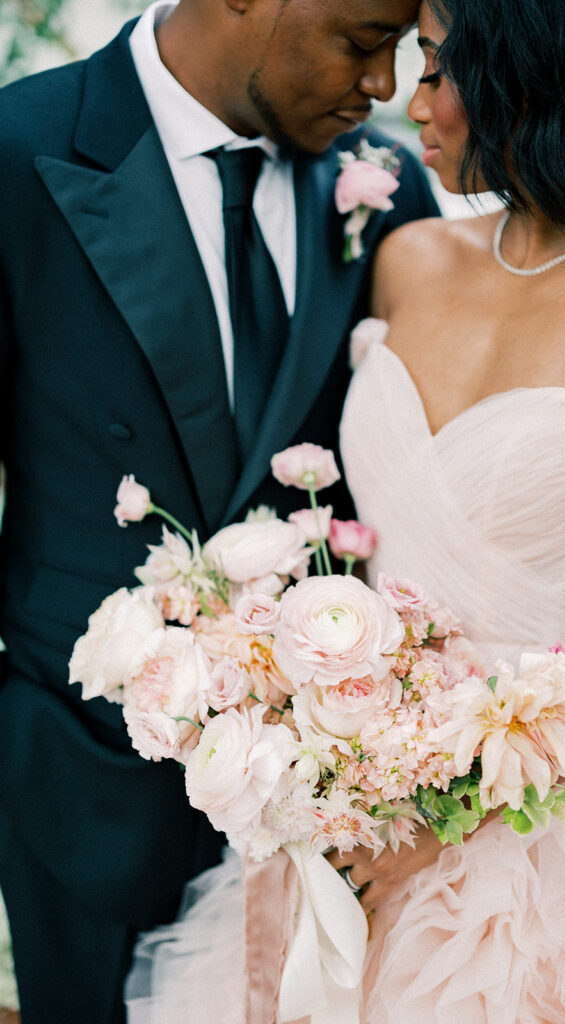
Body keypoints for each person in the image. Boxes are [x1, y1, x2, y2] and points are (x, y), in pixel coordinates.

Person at [125, 0, 565, 1021]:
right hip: (345, 790)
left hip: (552, 826)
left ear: (535, 77)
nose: (406, 101)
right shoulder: (406, 257)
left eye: (433, 67)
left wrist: (441, 818)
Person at [0, 0, 440, 1020]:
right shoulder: (20, 150)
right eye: (365, 40)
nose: (383, 85)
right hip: (84, 773)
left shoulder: (383, 182)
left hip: (333, 804)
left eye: (401, 50)